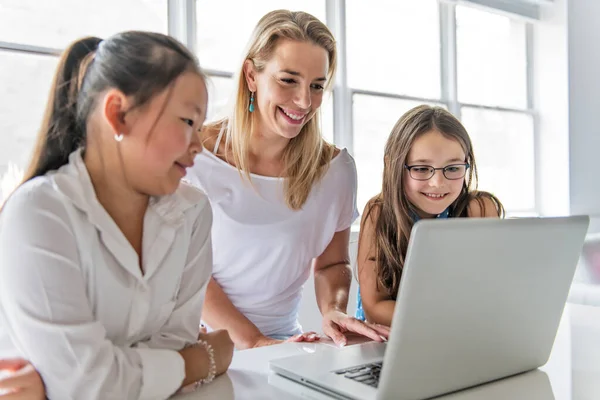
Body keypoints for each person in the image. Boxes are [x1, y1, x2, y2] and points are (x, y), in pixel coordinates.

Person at [0, 32, 234, 399]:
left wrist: (86, 377)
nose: (198, 147)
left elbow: (166, 346)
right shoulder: (39, 214)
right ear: (118, 114)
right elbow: (89, 385)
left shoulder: (193, 214)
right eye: (187, 122)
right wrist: (204, 360)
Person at [187, 9, 389, 349]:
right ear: (251, 75)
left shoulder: (335, 170)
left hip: (284, 343)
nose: (304, 101)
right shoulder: (194, 155)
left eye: (316, 86)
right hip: (197, 344)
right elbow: (187, 273)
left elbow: (332, 263)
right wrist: (254, 341)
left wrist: (333, 309)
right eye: (288, 80)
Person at [356, 105, 505, 326]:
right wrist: (445, 321)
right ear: (392, 166)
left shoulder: (479, 210)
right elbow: (375, 308)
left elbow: (494, 293)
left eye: (453, 168)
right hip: (389, 340)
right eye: (421, 169)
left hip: (461, 336)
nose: (438, 183)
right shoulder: (379, 212)